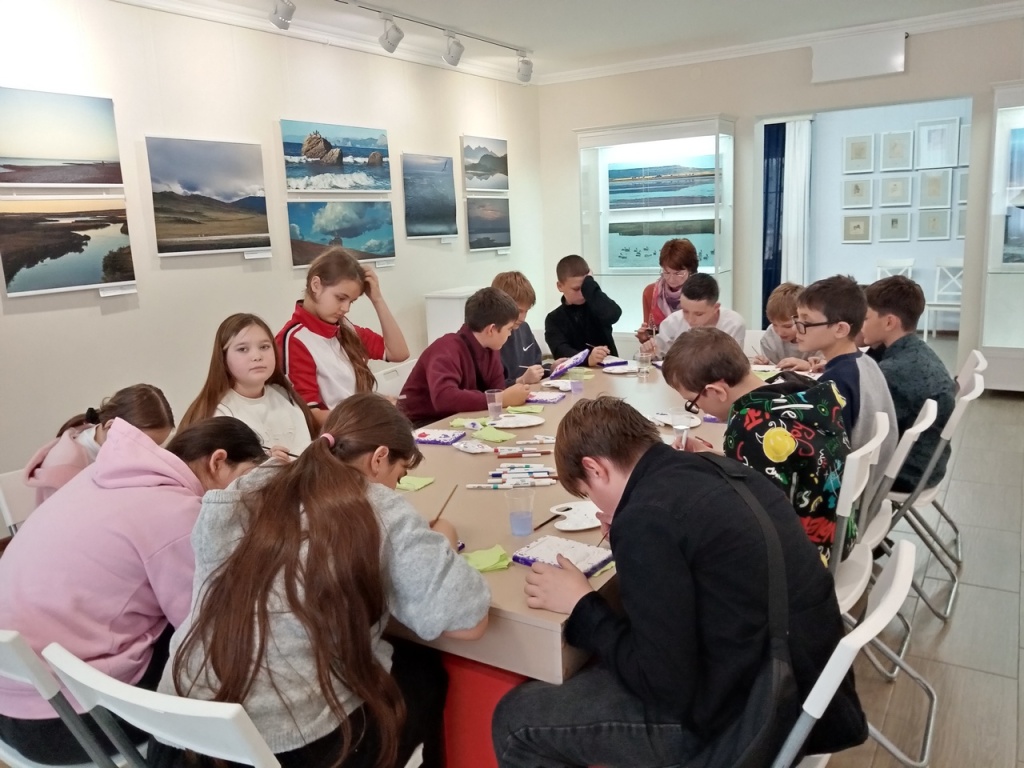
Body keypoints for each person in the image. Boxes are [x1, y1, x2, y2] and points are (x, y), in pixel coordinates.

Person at [491, 397, 865, 768]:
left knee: (516, 721)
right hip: (803, 683)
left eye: (589, 494)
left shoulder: (647, 519)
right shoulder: (713, 467)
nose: (598, 507)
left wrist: (582, 606)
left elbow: (662, 685)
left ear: (595, 468)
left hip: (747, 719)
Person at [159, 394, 490, 768]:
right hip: (279, 747)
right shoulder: (377, 506)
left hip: (181, 731)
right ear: (379, 458)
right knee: (422, 673)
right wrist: (443, 540)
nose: (395, 488)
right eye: (399, 476)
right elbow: (468, 621)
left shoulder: (253, 485)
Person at [0, 417, 266, 766]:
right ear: (217, 462)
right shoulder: (177, 513)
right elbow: (208, 628)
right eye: (247, 479)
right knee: (231, 651)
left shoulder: (97, 475)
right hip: (64, 723)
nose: (246, 497)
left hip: (13, 695)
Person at [662, 328, 852, 564]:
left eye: (693, 402)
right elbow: (776, 461)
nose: (698, 409)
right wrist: (713, 456)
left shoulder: (747, 425)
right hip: (837, 532)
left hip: (803, 557)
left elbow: (748, 512)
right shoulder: (794, 386)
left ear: (716, 391)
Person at [795, 275, 897, 517]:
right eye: (796, 319)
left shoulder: (837, 382)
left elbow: (816, 454)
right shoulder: (864, 362)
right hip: (867, 490)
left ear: (840, 329)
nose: (798, 328)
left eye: (806, 322)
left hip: (842, 503)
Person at [277, 248, 409, 425]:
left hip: (359, 429)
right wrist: (369, 413)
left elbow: (398, 353)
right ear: (316, 285)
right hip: (335, 436)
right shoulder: (294, 340)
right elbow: (310, 416)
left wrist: (377, 299)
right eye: (340, 298)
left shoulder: (344, 327)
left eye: (351, 301)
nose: (346, 308)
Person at [862, 276, 957, 492]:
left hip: (905, 473)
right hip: (929, 462)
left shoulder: (893, 371)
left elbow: (864, 428)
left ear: (889, 322)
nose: (860, 325)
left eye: (865, 318)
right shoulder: (916, 350)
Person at [180, 313, 318, 457]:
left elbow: (308, 456)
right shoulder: (219, 413)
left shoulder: (285, 396)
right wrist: (267, 463)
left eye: (264, 347)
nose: (257, 356)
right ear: (223, 358)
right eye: (243, 349)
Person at [23, 383, 175, 505]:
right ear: (111, 427)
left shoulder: (109, 446)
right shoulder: (65, 466)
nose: (148, 455)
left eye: (155, 447)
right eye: (143, 445)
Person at [400, 287, 529, 427]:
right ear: (491, 329)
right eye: (509, 329)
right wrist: (499, 399)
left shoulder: (491, 348)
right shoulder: (446, 349)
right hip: (420, 425)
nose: (510, 334)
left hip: (460, 419)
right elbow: (444, 398)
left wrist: (504, 396)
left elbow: (497, 390)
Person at [544, 254, 622, 367]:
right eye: (576, 289)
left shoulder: (597, 305)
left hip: (609, 371)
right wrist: (587, 358)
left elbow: (613, 314)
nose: (582, 293)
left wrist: (590, 285)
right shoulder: (554, 319)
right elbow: (560, 351)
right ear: (560, 286)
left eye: (585, 288)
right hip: (576, 375)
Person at [651, 273, 746, 356]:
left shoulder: (733, 325)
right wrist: (650, 353)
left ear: (715, 308)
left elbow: (733, 364)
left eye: (699, 314)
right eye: (685, 311)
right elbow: (657, 355)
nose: (690, 320)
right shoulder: (672, 322)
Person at [636, 238, 699, 342]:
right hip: (660, 352)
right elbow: (650, 338)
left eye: (678, 273)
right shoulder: (651, 292)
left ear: (691, 270)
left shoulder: (700, 294)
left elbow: (706, 336)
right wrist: (644, 338)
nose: (671, 279)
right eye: (666, 272)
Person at [491, 271, 546, 387]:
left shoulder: (524, 328)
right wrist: (521, 380)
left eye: (526, 311)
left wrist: (552, 368)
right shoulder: (491, 339)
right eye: (519, 311)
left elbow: (536, 367)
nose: (523, 318)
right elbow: (490, 388)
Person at [754, 282, 821, 370]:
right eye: (774, 324)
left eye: (787, 326)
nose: (780, 332)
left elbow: (829, 368)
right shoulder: (770, 337)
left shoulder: (818, 336)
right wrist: (765, 366)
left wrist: (808, 366)